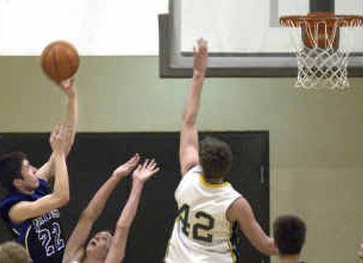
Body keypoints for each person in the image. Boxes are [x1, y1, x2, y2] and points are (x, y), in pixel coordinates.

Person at [164, 39, 277, 263]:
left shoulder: (189, 176)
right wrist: (291, 241)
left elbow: (189, 121)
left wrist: (198, 73)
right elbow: (265, 245)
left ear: (201, 163)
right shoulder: (235, 203)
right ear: (228, 166)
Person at [0, 80, 78, 263]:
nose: (34, 169)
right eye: (27, 167)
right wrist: (57, 153)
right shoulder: (15, 209)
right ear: (17, 182)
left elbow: (66, 145)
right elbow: (61, 197)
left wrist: (72, 98)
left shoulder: (36, 184)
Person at [63, 155, 160, 263]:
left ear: (110, 252)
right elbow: (88, 216)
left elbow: (122, 227)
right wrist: (115, 177)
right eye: (97, 236)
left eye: (105, 239)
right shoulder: (72, 256)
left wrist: (138, 184)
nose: (96, 238)